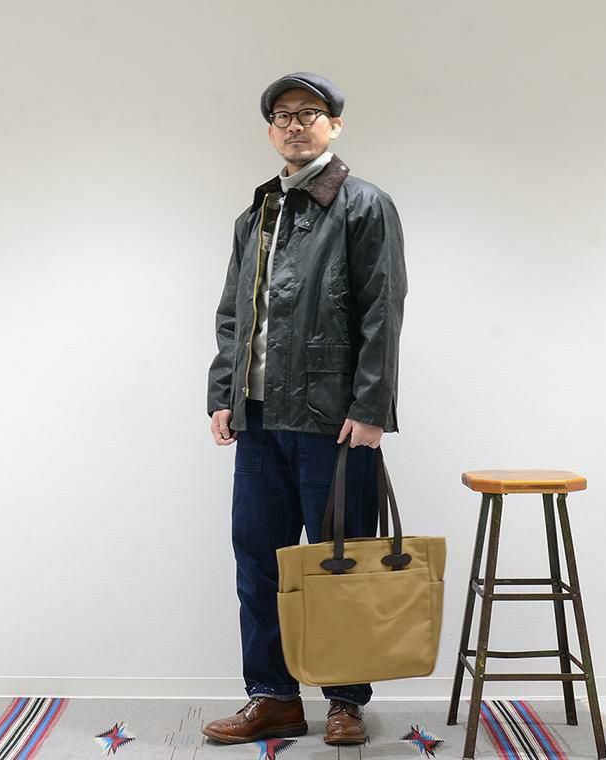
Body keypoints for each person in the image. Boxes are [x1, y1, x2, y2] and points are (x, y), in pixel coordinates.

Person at [203, 71, 407, 746]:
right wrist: (224, 394)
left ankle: (345, 700)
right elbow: (234, 315)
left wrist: (371, 405)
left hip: (332, 420)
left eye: (309, 113)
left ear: (334, 126)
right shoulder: (256, 215)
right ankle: (272, 697)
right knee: (258, 562)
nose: (295, 124)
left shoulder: (364, 205)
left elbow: (382, 309)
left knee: (339, 564)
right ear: (271, 131)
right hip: (259, 420)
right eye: (283, 115)